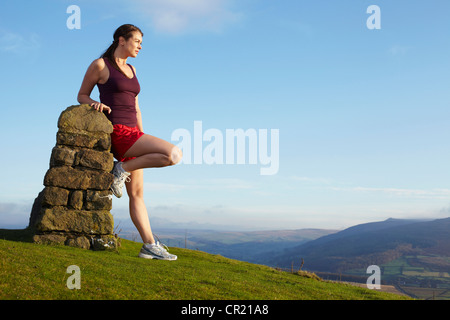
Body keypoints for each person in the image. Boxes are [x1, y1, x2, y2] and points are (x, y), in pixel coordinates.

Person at [77, 24, 182, 261]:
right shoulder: (101, 65)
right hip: (119, 132)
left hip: (135, 135)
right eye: (137, 41)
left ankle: (149, 245)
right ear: (121, 40)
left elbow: (136, 106)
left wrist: (143, 135)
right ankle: (120, 169)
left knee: (137, 195)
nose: (140, 46)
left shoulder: (133, 69)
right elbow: (81, 94)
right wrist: (94, 103)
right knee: (173, 154)